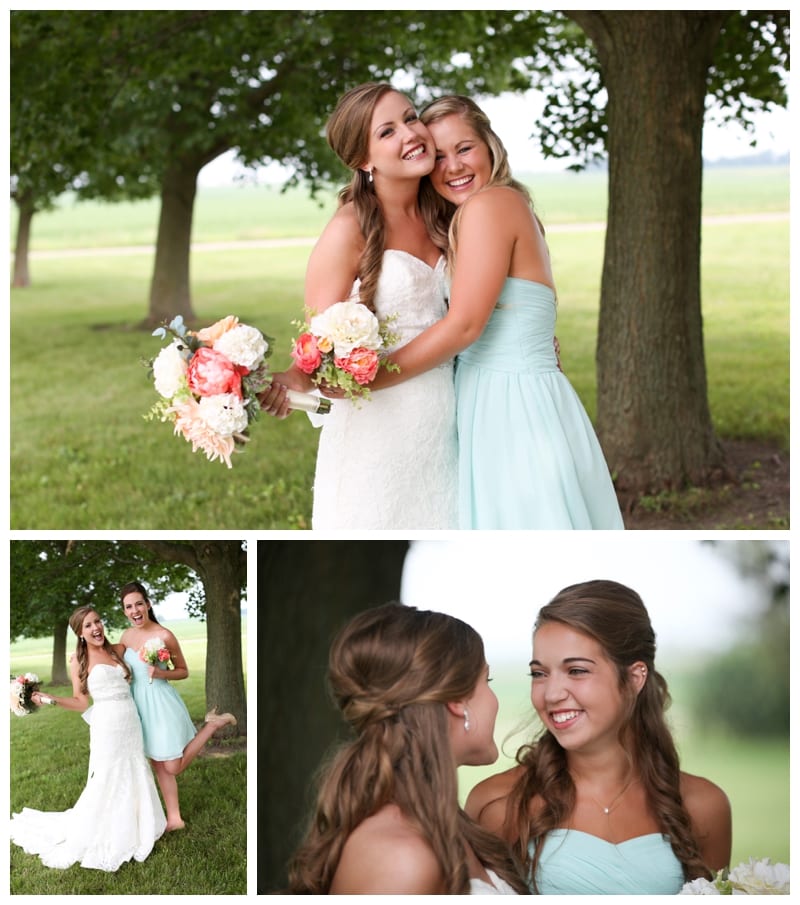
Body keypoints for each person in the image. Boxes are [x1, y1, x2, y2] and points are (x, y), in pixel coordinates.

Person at [369, 96, 624, 529]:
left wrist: (372, 378)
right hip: (506, 398)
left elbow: (466, 324)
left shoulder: (489, 206)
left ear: (490, 146)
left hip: (514, 408)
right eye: (440, 156)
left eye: (465, 148)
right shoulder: (493, 209)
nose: (453, 167)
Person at [260, 82, 458, 529]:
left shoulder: (447, 212)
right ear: (363, 160)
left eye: (410, 117)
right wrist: (288, 382)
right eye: (387, 132)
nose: (410, 134)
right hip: (377, 428)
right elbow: (316, 343)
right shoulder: (348, 229)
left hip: (448, 419)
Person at [465, 579, 732, 894]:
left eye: (576, 670)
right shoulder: (498, 804)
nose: (551, 694)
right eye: (539, 673)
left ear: (634, 678)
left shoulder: (705, 805)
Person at [286, 602, 528, 894]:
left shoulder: (450, 822)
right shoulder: (401, 860)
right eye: (486, 680)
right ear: (458, 700)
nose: (493, 698)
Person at [10, 606, 167, 871]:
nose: (96, 628)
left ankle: (140, 823)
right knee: (109, 775)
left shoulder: (116, 650)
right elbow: (81, 702)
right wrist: (50, 698)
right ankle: (110, 830)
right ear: (80, 634)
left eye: (97, 622)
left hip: (131, 721)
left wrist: (159, 652)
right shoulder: (78, 661)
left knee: (135, 767)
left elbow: (143, 649)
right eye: (88, 626)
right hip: (107, 725)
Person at [119, 580, 236, 831]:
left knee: (173, 764)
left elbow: (182, 671)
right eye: (129, 606)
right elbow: (112, 661)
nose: (135, 610)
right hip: (137, 705)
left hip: (160, 704)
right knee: (157, 762)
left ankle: (212, 726)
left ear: (148, 605)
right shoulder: (126, 636)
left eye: (139, 603)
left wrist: (160, 674)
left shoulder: (164, 635)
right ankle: (175, 818)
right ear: (124, 611)